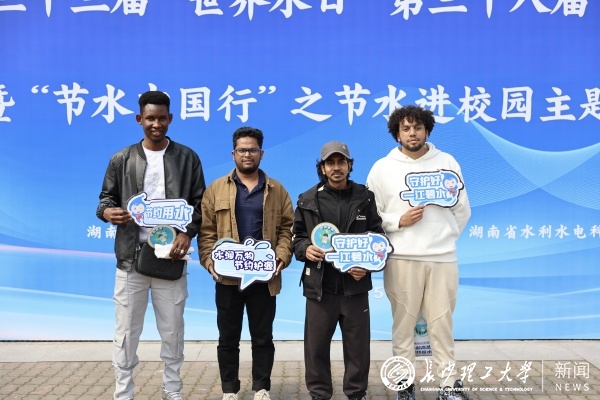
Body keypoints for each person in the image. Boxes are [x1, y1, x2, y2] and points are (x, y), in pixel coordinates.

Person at [96, 90, 206, 400]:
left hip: (171, 257)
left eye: (161, 118)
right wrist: (107, 212)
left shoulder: (187, 158)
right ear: (139, 119)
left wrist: (188, 233)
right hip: (130, 260)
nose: (156, 124)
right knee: (126, 333)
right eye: (150, 118)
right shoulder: (122, 158)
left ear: (170, 119)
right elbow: (105, 199)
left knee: (172, 331)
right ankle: (123, 393)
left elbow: (200, 203)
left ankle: (172, 389)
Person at [366, 106, 471, 400]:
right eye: (406, 129)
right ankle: (404, 384)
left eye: (417, 128)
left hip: (442, 259)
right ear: (397, 134)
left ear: (427, 130)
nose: (412, 133)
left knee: (442, 324)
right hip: (401, 259)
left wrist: (443, 237)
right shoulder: (382, 168)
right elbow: (371, 215)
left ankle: (448, 385)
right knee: (403, 325)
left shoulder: (447, 162)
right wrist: (398, 221)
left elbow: (462, 210)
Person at [198, 126, 294, 400]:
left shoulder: (277, 190)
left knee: (262, 337)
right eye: (242, 150)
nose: (247, 154)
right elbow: (206, 231)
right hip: (227, 278)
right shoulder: (216, 188)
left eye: (252, 149)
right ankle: (229, 389)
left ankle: (261, 388)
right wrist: (209, 262)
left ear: (261, 153)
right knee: (228, 338)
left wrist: (281, 256)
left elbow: (288, 228)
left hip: (264, 278)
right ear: (233, 154)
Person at [292, 141, 384, 400]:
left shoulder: (365, 197)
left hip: (355, 287)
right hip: (320, 286)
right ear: (322, 168)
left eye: (341, 162)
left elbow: (378, 238)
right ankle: (319, 394)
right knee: (316, 348)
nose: (336, 167)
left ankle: (356, 393)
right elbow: (297, 237)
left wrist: (366, 266)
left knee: (358, 348)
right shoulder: (307, 199)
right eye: (330, 163)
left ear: (349, 165)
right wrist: (306, 249)